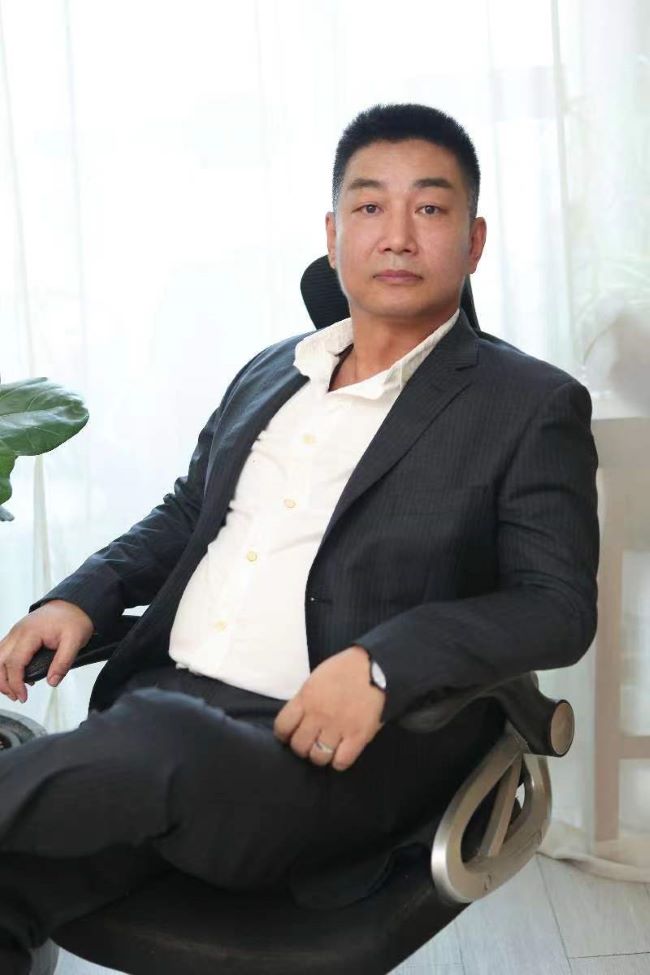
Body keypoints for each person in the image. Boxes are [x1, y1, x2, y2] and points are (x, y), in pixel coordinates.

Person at [0, 102, 599, 974]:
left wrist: (384, 663)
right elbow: (186, 512)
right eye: (370, 206)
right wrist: (81, 596)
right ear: (332, 234)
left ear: (473, 242)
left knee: (160, 736)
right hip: (155, 725)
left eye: (430, 208)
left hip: (319, 761)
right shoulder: (273, 370)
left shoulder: (528, 403)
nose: (397, 235)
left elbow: (556, 606)